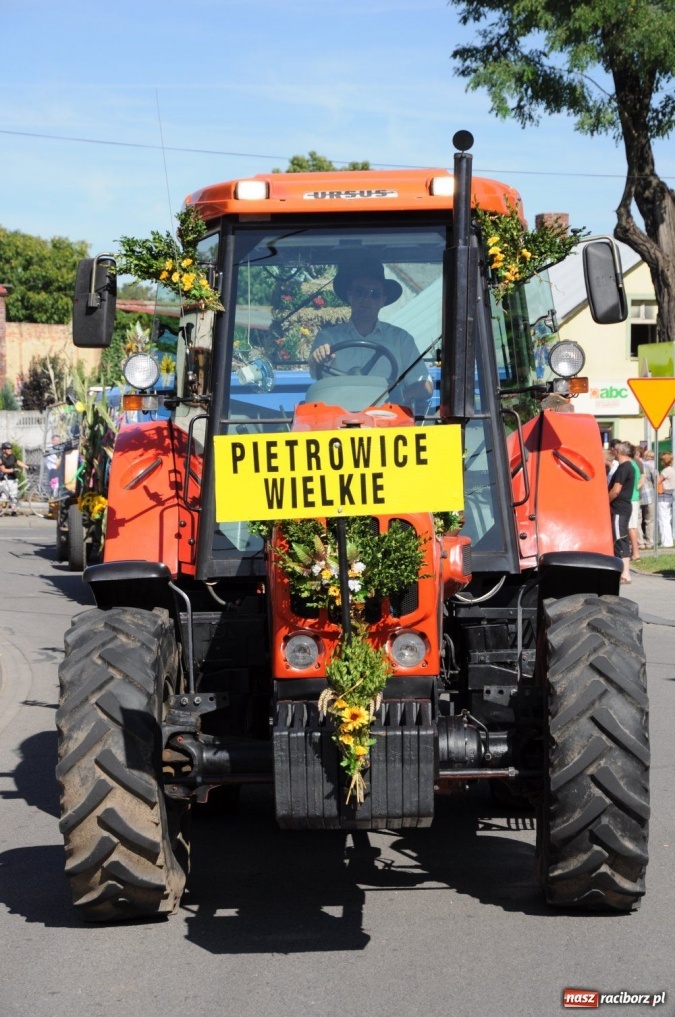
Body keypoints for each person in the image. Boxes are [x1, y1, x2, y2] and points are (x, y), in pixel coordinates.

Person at [308, 256, 432, 408]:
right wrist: (317, 357)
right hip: (336, 420)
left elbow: (424, 385)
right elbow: (315, 369)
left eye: (374, 294)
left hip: (388, 422)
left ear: (383, 300)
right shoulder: (328, 337)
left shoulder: (401, 339)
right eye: (359, 291)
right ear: (349, 295)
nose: (366, 299)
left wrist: (394, 401)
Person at [608, 441, 636, 583]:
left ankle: (625, 574)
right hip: (623, 507)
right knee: (621, 538)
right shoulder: (628, 467)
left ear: (619, 452)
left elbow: (616, 490)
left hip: (619, 508)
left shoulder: (623, 468)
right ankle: (623, 572)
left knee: (620, 539)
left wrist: (605, 501)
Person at [0, 441, 28, 515]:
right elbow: (3, 470)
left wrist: (28, 467)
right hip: (5, 479)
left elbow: (18, 462)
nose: (10, 450)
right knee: (4, 496)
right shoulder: (1, 458)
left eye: (11, 449)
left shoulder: (12, 456)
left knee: (14, 495)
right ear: (4, 450)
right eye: (8, 449)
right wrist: (12, 470)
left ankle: (13, 510)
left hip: (13, 478)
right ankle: (1, 510)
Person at [627, 443, 644, 561]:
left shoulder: (631, 465)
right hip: (634, 497)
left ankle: (636, 553)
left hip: (631, 498)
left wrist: (635, 488)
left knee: (631, 527)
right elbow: (643, 477)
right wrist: (637, 487)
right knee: (633, 526)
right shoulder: (636, 464)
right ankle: (634, 551)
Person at [657, 451, 675, 548]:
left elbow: (658, 481)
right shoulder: (672, 469)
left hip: (663, 496)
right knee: (667, 519)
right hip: (669, 496)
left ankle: (666, 542)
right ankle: (668, 541)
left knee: (663, 520)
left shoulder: (666, 471)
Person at [638, 448, 655, 549]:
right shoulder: (649, 466)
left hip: (638, 495)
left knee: (638, 520)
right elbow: (655, 479)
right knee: (650, 519)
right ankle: (650, 541)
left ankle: (640, 542)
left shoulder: (635, 466)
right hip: (649, 495)